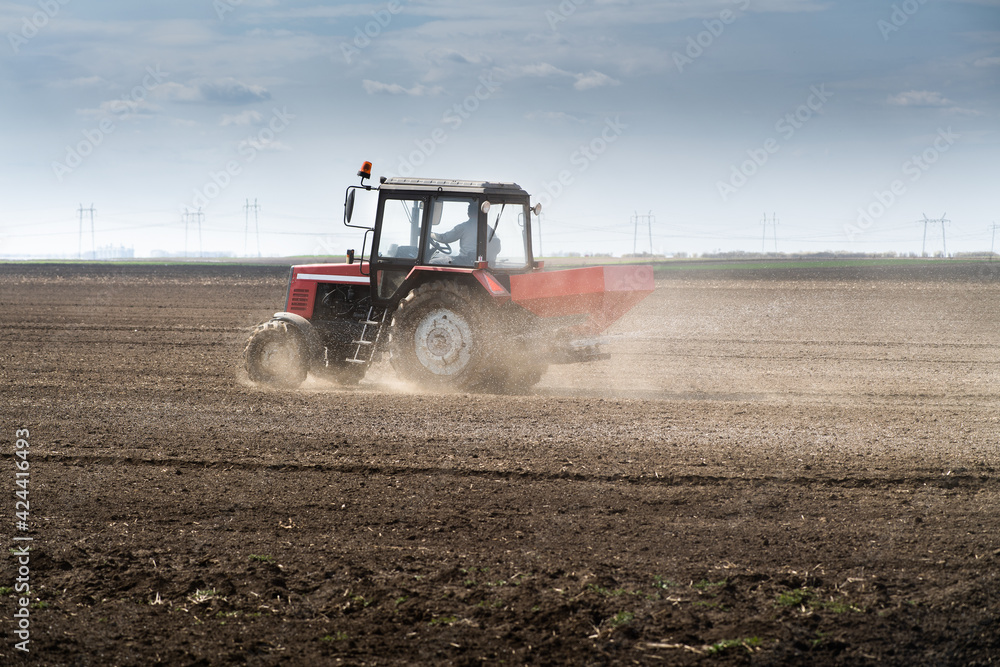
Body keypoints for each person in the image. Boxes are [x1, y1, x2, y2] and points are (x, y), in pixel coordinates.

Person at [430, 201, 500, 265]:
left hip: (467, 260)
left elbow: (444, 238)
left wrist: (429, 234)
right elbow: (497, 247)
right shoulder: (489, 228)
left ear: (468, 213)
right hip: (484, 262)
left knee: (433, 262)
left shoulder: (464, 227)